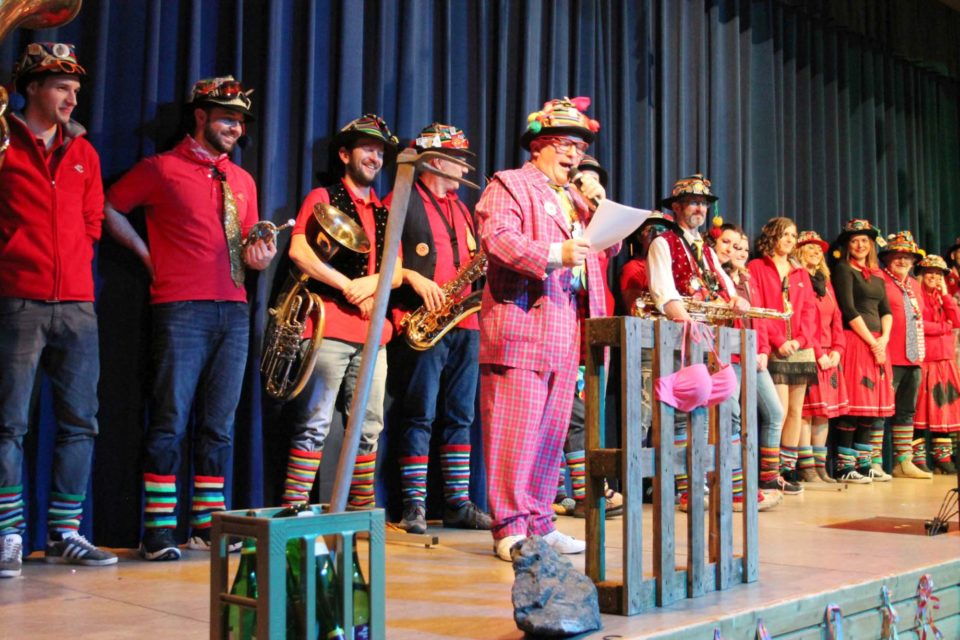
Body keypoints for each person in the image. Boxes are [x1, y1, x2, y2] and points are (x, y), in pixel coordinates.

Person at [104, 76, 277, 560]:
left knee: (219, 426)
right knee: (170, 421)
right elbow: (110, 207)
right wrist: (145, 254)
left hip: (235, 310)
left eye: (240, 121)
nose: (235, 128)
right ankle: (159, 529)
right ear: (200, 116)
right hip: (181, 309)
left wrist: (261, 256)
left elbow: (251, 243)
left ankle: (206, 523)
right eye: (226, 118)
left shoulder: (242, 180)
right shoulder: (161, 168)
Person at [476, 96, 613, 561]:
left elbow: (602, 251)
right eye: (565, 144)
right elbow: (497, 239)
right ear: (538, 146)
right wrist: (557, 253)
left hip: (565, 326)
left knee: (552, 435)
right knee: (514, 434)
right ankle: (510, 527)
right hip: (522, 323)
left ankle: (540, 522)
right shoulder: (510, 184)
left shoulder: (574, 198)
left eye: (580, 146)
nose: (574, 154)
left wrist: (601, 211)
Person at [0, 42, 117, 578]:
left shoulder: (84, 152)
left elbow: (93, 220)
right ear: (31, 88)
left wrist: (74, 261)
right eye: (61, 88)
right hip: (18, 299)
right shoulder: (4, 143)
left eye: (75, 89)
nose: (71, 98)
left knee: (80, 423)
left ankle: (65, 533)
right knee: (9, 424)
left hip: (77, 305)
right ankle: (8, 534)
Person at [279, 114, 402, 511]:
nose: (375, 157)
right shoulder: (323, 196)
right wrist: (348, 285)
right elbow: (299, 251)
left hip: (373, 335)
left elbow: (397, 270)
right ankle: (294, 509)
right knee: (314, 424)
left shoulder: (384, 210)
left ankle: (361, 511)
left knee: (369, 427)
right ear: (345, 154)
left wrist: (371, 284)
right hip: (328, 326)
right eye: (367, 148)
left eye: (380, 151)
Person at [386, 123, 491, 534]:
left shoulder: (463, 209)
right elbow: (385, 260)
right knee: (419, 414)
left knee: (460, 416)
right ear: (433, 161)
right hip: (424, 324)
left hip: (466, 322)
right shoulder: (402, 198)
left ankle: (457, 503)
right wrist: (414, 277)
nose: (463, 168)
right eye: (456, 159)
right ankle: (413, 505)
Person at [644, 175, 749, 510]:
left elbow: (725, 287)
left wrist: (736, 300)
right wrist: (686, 323)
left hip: (707, 337)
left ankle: (709, 484)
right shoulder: (663, 243)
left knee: (711, 412)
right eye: (693, 202)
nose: (699, 208)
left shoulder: (705, 249)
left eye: (703, 203)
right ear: (676, 207)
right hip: (678, 337)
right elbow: (664, 293)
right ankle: (685, 489)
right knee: (681, 412)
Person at [551, 154, 623, 519]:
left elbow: (613, 245)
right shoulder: (559, 212)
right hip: (565, 322)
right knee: (572, 414)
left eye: (594, 180)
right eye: (582, 179)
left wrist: (601, 204)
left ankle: (579, 489)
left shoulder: (590, 220)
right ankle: (580, 492)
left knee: (588, 412)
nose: (589, 185)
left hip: (594, 327)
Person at [705, 222, 783, 511]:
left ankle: (768, 479)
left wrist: (763, 350)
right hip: (728, 356)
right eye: (729, 244)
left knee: (774, 412)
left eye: (742, 248)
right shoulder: (715, 279)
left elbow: (758, 319)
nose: (737, 251)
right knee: (731, 418)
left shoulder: (748, 280)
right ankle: (733, 486)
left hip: (751, 355)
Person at [747, 217, 818, 495]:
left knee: (796, 411)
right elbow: (758, 308)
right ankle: (771, 471)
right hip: (775, 347)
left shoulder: (800, 271)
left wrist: (800, 340)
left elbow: (809, 310)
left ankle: (787, 469)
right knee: (780, 409)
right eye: (784, 234)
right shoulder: (757, 266)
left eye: (793, 235)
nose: (789, 240)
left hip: (800, 348)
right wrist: (779, 341)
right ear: (772, 237)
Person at [829, 219, 894, 484]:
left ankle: (864, 463)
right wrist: (871, 341)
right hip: (856, 340)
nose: (860, 245)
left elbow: (886, 310)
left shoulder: (877, 274)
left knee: (871, 407)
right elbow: (848, 309)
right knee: (854, 405)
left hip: (877, 342)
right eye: (855, 241)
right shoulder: (844, 270)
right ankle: (844, 466)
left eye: (864, 240)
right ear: (847, 245)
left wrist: (884, 340)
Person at [794, 231, 848, 483]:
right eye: (810, 248)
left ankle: (820, 466)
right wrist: (817, 353)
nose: (816, 252)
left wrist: (838, 349)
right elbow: (803, 322)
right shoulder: (798, 280)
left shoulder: (825, 283)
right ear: (799, 252)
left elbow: (837, 318)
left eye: (819, 249)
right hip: (809, 352)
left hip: (829, 354)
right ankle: (806, 467)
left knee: (823, 413)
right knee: (806, 411)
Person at [878, 231, 930, 479]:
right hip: (889, 355)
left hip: (913, 357)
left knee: (907, 411)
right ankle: (874, 461)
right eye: (897, 256)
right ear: (888, 259)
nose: (902, 261)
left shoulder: (915, 285)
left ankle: (903, 461)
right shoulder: (880, 280)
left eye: (907, 257)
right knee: (880, 409)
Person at [914, 255, 960, 473]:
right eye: (930, 272)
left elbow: (957, 320)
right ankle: (917, 459)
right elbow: (918, 324)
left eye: (938, 273)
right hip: (926, 361)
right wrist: (943, 327)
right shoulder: (916, 295)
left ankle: (943, 458)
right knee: (920, 411)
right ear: (921, 275)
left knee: (944, 409)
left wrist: (946, 295)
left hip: (945, 361)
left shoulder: (943, 297)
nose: (934, 276)